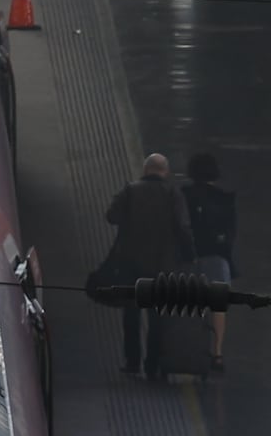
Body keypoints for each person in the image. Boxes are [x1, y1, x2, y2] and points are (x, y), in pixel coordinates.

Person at [100, 152, 192, 376]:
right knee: (158, 318)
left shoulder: (130, 190)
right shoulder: (173, 194)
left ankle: (132, 363)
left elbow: (111, 216)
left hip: (131, 264)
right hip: (162, 266)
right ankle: (153, 364)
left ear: (145, 170)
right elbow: (183, 227)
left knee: (131, 315)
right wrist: (189, 257)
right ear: (166, 171)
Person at [182, 150, 239, 367]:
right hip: (218, 258)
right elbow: (232, 233)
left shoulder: (183, 195)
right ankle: (217, 353)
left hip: (190, 257)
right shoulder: (225, 199)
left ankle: (190, 349)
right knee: (218, 306)